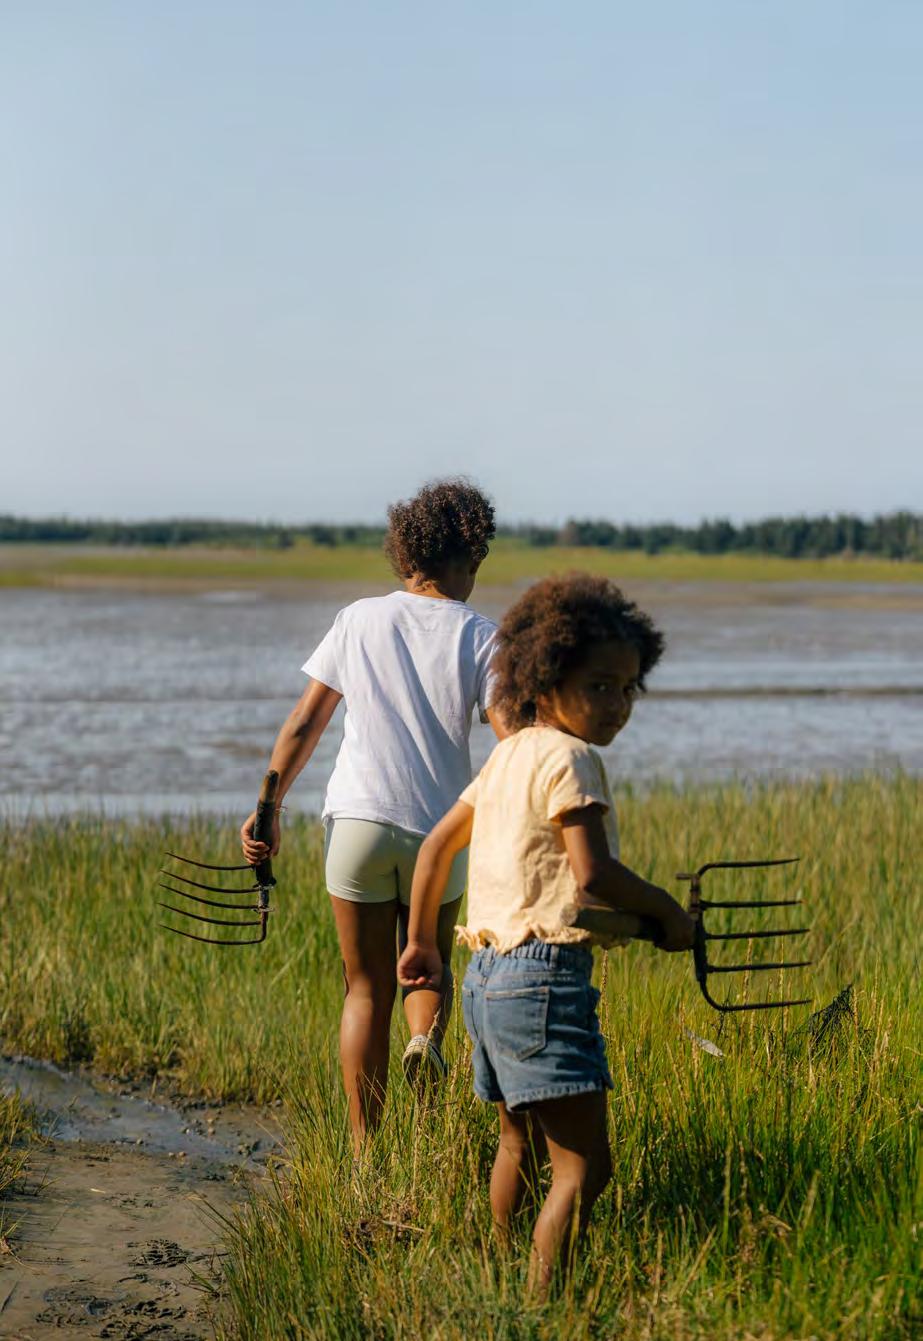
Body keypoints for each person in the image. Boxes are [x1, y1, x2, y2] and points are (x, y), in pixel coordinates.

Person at [397, 573, 695, 1292]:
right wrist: (666, 911)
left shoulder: (507, 755)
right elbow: (593, 875)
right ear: (547, 679)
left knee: (517, 1144)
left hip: (483, 980)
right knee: (583, 1167)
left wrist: (422, 941)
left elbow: (435, 849)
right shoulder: (570, 758)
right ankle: (542, 1305)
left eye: (628, 688)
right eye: (599, 686)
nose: (617, 704)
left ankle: (501, 1284)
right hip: (543, 982)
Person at [241, 478, 504, 1151]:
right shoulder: (481, 635)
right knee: (428, 967)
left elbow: (304, 724)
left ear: (405, 553)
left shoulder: (357, 618)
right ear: (467, 556)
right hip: (438, 833)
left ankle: (364, 1153)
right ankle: (423, 1052)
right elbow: (513, 739)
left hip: (356, 824)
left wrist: (268, 807)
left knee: (363, 989)